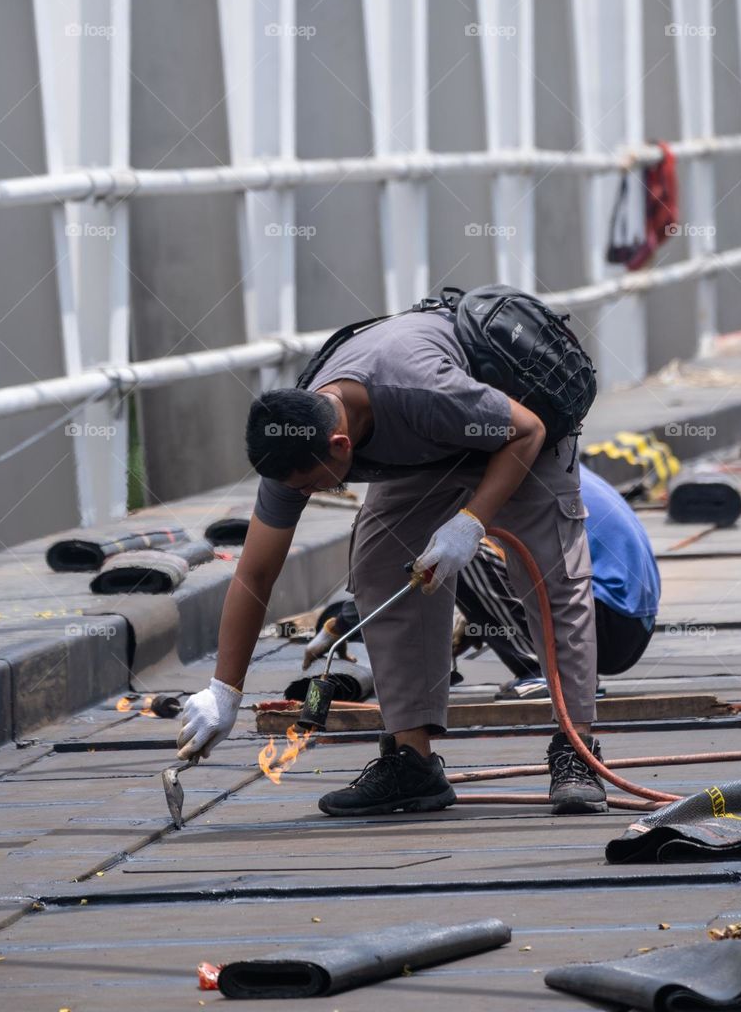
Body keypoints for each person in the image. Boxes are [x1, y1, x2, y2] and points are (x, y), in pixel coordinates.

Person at [178, 305, 606, 816]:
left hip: (517, 433)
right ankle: (413, 762)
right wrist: (224, 691)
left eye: (312, 484)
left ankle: (576, 751)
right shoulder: (294, 444)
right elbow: (255, 573)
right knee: (381, 564)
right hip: (424, 448)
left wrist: (471, 521)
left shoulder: (417, 388)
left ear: (341, 445)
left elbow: (528, 430)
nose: (308, 494)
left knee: (551, 576)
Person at [453, 467, 660, 695]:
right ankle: (555, 671)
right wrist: (475, 619)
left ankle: (541, 671)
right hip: (632, 624)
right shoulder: (553, 464)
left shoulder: (502, 474)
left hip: (605, 622)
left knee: (458, 543)